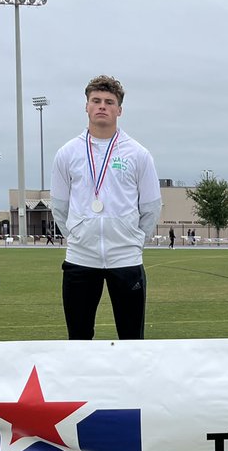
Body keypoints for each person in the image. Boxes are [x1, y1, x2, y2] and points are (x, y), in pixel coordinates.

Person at [51, 74, 162, 340]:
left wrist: (133, 240)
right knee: (78, 337)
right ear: (86, 106)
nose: (102, 106)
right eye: (96, 100)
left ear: (119, 110)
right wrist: (78, 234)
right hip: (80, 258)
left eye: (109, 102)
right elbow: (60, 207)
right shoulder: (67, 153)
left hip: (126, 259)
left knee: (131, 338)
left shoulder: (138, 154)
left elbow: (150, 207)